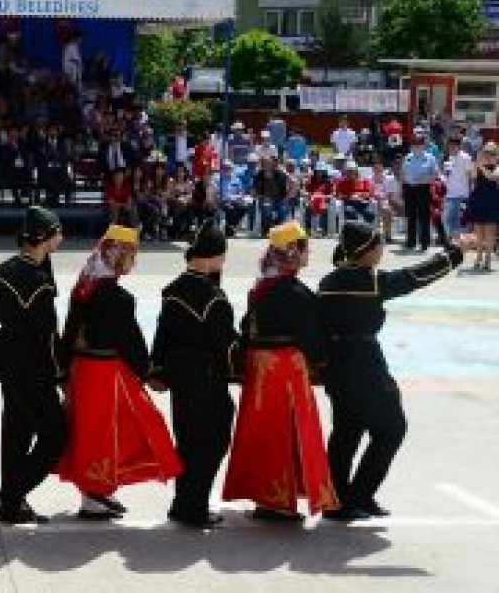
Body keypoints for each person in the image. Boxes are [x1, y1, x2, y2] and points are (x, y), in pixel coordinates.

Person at [319, 222, 471, 521]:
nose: (381, 250)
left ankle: (335, 500)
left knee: (345, 432)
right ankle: (359, 495)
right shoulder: (371, 281)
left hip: (335, 364)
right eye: (377, 245)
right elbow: (416, 276)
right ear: (364, 253)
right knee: (391, 428)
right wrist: (454, 254)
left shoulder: (327, 282)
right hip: (364, 362)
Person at [56, 224, 181, 520]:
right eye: (131, 255)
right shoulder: (117, 297)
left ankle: (96, 490)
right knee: (115, 430)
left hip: (81, 370)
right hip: (104, 372)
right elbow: (131, 341)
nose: (133, 262)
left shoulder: (83, 287)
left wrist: (62, 371)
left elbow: (69, 332)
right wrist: (150, 373)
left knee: (87, 432)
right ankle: (94, 494)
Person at [222, 222, 339, 522]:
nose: (307, 252)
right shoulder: (296, 293)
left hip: (260, 369)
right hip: (285, 369)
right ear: (292, 252)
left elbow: (246, 328)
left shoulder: (262, 287)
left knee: (262, 431)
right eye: (303, 247)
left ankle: (267, 496)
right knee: (284, 432)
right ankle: (277, 501)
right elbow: (312, 338)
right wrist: (323, 366)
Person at [0, 207, 67, 525]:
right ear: (44, 238)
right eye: (57, 232)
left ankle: (11, 506)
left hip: (6, 362)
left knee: (17, 432)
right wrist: (62, 373)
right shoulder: (38, 282)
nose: (61, 238)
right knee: (55, 434)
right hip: (33, 367)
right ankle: (12, 494)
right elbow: (48, 335)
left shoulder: (4, 270)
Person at [150, 222, 238, 528]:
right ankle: (194, 507)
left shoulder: (174, 290)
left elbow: (162, 337)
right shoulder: (213, 297)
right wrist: (242, 371)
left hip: (180, 379)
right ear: (213, 256)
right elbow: (226, 344)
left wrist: (157, 370)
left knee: (186, 441)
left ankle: (183, 502)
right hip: (207, 378)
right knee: (212, 441)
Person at [401, 134, 439, 251]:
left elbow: (436, 174)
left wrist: (425, 179)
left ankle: (424, 242)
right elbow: (403, 173)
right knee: (411, 215)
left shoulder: (430, 158)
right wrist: (403, 185)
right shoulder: (407, 157)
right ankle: (411, 242)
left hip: (423, 188)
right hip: (409, 188)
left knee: (424, 216)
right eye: (414, 145)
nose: (416, 147)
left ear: (423, 146)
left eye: (419, 145)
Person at [467, 143, 499, 271]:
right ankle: (479, 256)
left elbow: (492, 177)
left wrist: (481, 166)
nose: (488, 155)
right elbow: (473, 176)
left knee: (490, 232)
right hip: (479, 199)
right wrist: (477, 164)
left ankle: (488, 259)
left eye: (492, 152)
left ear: (496, 154)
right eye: (486, 152)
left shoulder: (497, 166)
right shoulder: (478, 165)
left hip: (492, 200)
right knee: (478, 231)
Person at [443, 137, 474, 239]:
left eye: (454, 146)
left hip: (462, 194)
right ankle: (453, 241)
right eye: (450, 146)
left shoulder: (466, 158)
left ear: (459, 146)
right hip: (449, 194)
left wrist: (469, 194)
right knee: (449, 219)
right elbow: (446, 176)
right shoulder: (448, 157)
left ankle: (458, 242)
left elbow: (470, 176)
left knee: (458, 220)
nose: (451, 148)